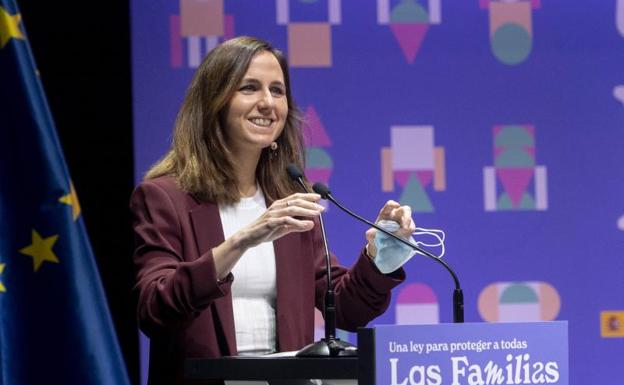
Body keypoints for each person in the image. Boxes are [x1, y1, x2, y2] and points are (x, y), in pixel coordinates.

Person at [130, 36, 415, 385]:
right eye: (249, 88)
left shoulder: (289, 197)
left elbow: (344, 309)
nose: (268, 103)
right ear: (213, 103)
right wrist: (243, 240)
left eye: (277, 91)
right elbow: (155, 309)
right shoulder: (164, 197)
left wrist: (379, 259)